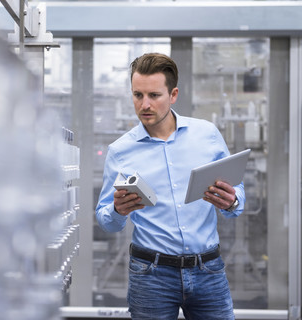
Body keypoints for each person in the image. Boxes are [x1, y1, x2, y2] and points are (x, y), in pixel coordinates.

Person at [95, 52, 245, 320]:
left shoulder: (207, 134)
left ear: (173, 94)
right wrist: (118, 211)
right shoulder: (120, 151)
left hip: (208, 269)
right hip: (151, 275)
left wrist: (232, 201)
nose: (144, 105)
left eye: (154, 95)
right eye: (137, 95)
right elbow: (105, 220)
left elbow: (236, 197)